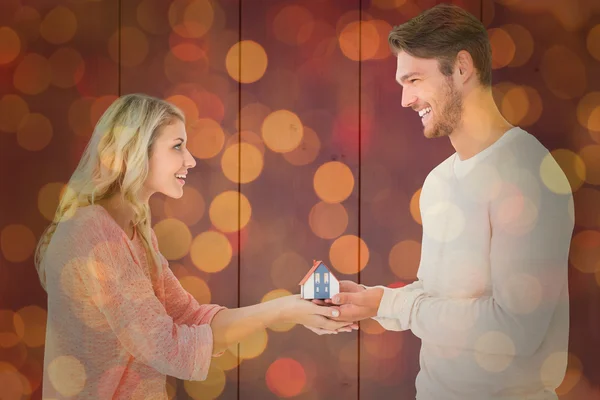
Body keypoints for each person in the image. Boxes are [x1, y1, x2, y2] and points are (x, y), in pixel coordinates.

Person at [325, 4, 574, 400]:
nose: (405, 99)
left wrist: (396, 306)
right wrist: (375, 303)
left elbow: (516, 330)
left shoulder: (527, 174)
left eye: (414, 79)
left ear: (461, 67)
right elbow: (438, 294)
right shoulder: (439, 182)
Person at [35, 93, 356, 399]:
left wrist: (292, 308)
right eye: (177, 147)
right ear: (134, 151)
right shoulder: (91, 233)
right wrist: (284, 309)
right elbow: (166, 347)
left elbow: (190, 318)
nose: (190, 160)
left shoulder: (136, 231)